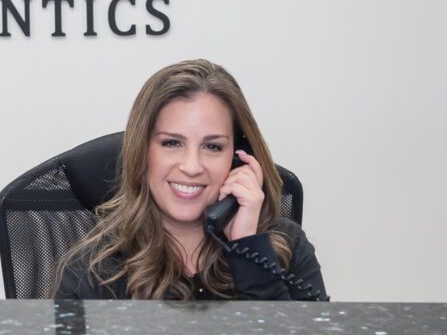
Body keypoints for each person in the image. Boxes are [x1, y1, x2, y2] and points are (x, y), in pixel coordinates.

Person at [56, 59, 327, 300]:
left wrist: (248, 250)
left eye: (212, 147)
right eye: (172, 142)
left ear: (239, 156)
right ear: (142, 151)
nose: (191, 166)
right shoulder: (93, 270)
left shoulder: (287, 247)